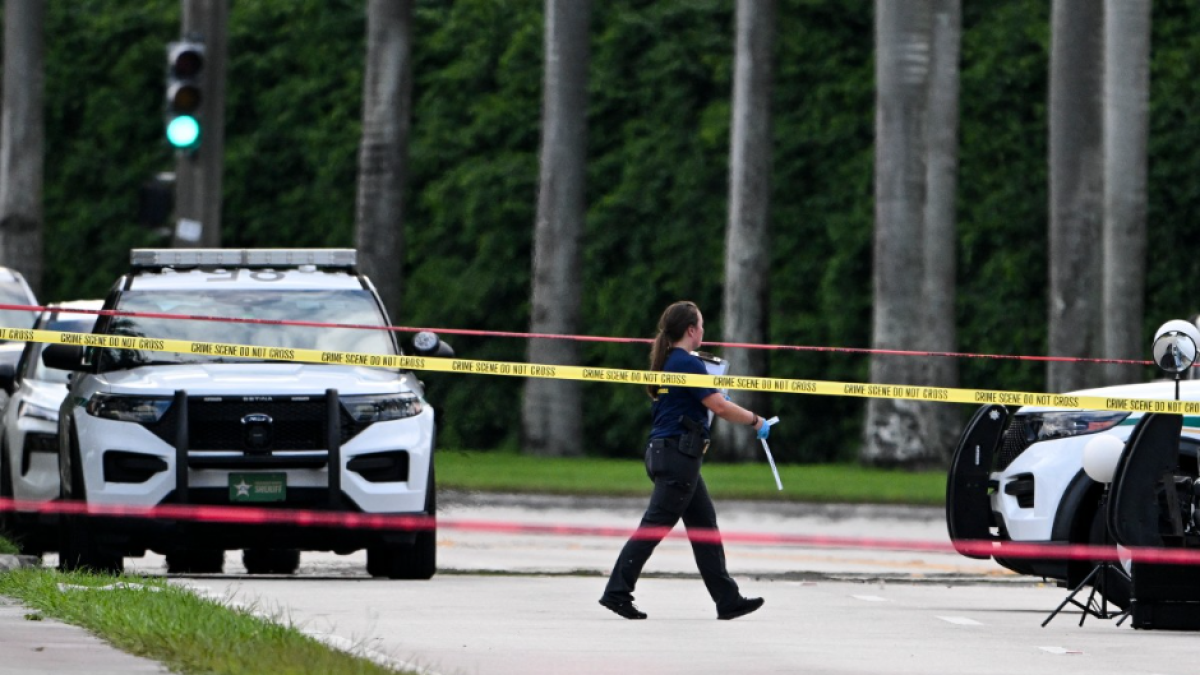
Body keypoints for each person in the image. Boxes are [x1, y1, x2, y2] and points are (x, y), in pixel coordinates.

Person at [598, 300, 773, 620]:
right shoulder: (688, 364)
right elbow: (719, 407)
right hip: (678, 456)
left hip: (671, 454)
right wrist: (756, 421)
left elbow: (707, 404)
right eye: (701, 325)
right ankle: (616, 592)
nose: (704, 330)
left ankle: (727, 599)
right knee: (653, 528)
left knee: (704, 527)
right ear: (691, 330)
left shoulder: (672, 361)